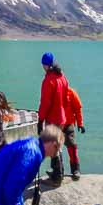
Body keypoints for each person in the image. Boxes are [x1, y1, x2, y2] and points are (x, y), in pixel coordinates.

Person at [37, 52, 70, 186]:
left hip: (52, 117)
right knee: (57, 144)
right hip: (61, 117)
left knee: (53, 146)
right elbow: (66, 99)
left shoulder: (48, 80)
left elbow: (45, 103)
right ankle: (59, 172)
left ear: (45, 65)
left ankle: (56, 178)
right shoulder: (62, 77)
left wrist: (40, 120)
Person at [63, 86, 85, 180]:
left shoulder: (71, 92)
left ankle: (76, 169)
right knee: (54, 148)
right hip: (55, 123)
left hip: (68, 123)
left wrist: (80, 123)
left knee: (71, 145)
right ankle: (57, 171)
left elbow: (78, 108)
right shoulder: (52, 91)